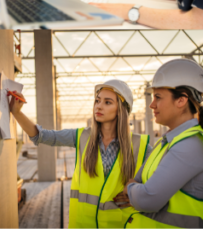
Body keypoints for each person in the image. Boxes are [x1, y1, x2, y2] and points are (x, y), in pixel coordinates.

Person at [9, 79, 150, 228]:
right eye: (97, 101)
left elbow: (163, 181)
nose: (99, 106)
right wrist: (17, 112)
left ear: (121, 110)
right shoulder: (82, 136)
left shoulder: (141, 145)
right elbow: (42, 135)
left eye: (107, 102)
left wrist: (140, 192)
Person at [120, 59, 203, 227]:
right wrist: (136, 190)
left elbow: (147, 199)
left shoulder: (191, 145)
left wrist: (131, 190)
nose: (151, 105)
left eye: (158, 97)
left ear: (181, 100)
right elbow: (138, 181)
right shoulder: (165, 143)